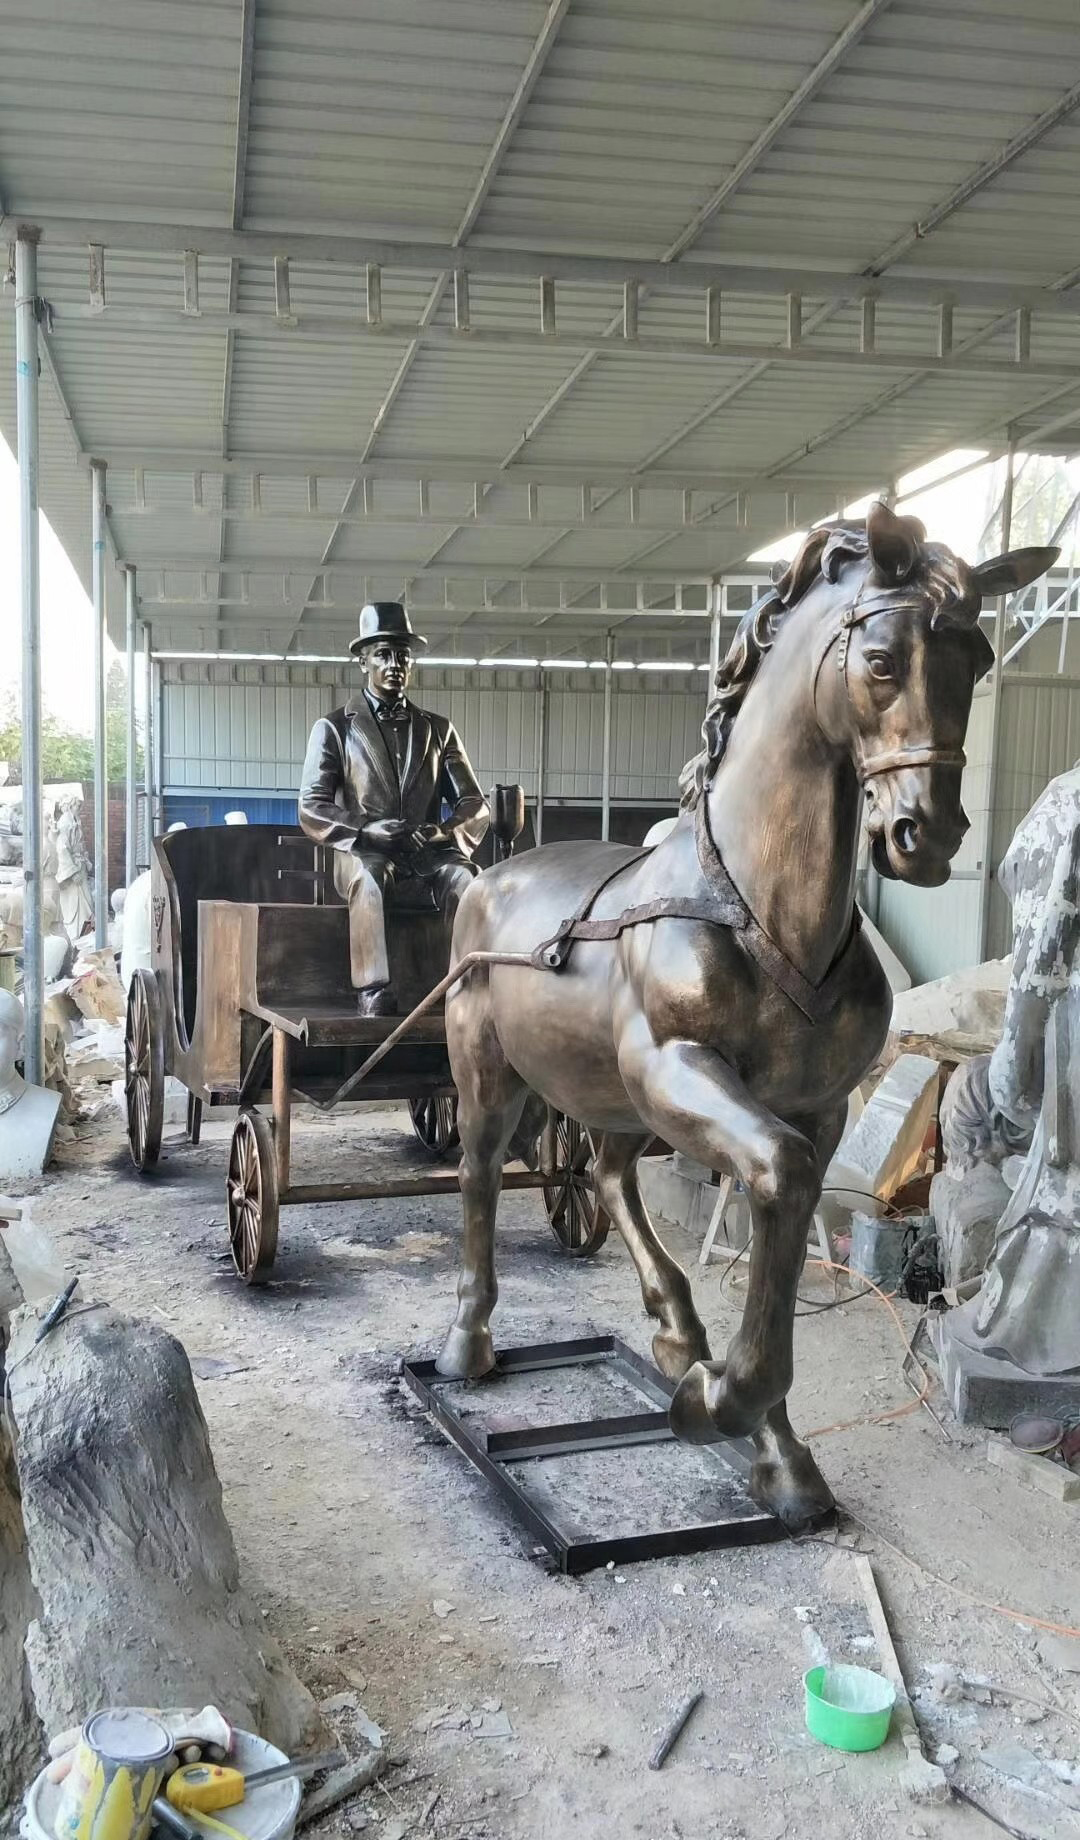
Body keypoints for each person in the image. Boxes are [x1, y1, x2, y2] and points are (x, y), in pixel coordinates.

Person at [298, 602, 488, 1015]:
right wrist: (367, 830)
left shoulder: (438, 729)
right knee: (371, 874)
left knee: (466, 876)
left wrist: (444, 832)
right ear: (362, 661)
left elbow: (474, 803)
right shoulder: (335, 728)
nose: (395, 664)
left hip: (426, 854)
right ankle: (373, 990)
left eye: (403, 655)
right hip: (361, 852)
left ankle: (467, 983)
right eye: (383, 654)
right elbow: (311, 807)